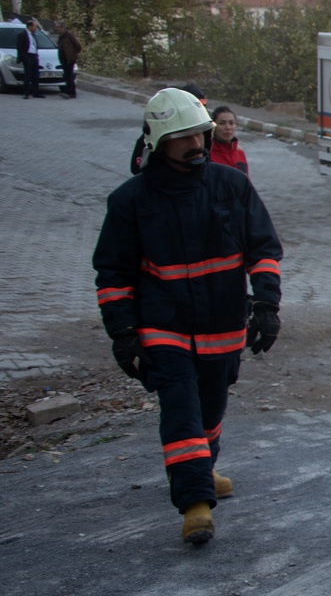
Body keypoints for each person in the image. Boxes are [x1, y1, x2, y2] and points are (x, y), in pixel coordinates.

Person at [91, 88, 283, 546]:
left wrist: (267, 304)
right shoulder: (130, 201)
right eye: (183, 138)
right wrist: (122, 332)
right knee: (181, 409)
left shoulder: (231, 186)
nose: (196, 144)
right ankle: (195, 503)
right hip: (164, 325)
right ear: (159, 142)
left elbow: (264, 249)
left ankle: (203, 466)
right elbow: (112, 273)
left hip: (222, 324)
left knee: (211, 411)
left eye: (200, 134)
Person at [131, 83, 206, 174]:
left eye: (198, 133)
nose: (196, 144)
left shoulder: (219, 177)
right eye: (184, 137)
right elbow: (136, 169)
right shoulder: (151, 139)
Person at [209, 106, 248, 175]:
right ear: (213, 126)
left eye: (231, 123)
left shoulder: (240, 152)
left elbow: (246, 182)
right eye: (222, 123)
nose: (228, 127)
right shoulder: (207, 154)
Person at [14, 17, 41, 100]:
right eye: (35, 26)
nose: (36, 28)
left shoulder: (33, 35)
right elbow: (20, 47)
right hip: (27, 56)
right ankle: (26, 93)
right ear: (30, 26)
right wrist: (24, 57)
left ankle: (35, 92)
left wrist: (36, 55)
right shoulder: (22, 35)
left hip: (34, 56)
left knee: (35, 75)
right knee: (27, 75)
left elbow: (34, 45)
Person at [54, 21, 81, 98]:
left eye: (58, 27)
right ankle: (72, 92)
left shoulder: (69, 36)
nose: (56, 29)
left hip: (70, 59)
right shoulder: (60, 37)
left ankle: (69, 93)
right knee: (67, 76)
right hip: (63, 59)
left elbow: (78, 46)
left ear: (63, 28)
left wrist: (74, 54)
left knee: (69, 76)